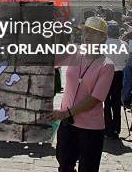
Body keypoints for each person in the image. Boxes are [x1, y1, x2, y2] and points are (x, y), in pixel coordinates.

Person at [47, 16, 115, 172]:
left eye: (93, 33)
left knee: (88, 168)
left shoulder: (107, 65)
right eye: (86, 31)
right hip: (67, 124)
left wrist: (66, 112)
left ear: (103, 37)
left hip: (90, 128)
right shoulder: (74, 53)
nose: (87, 36)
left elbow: (95, 99)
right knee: (64, 165)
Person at [103, 20, 129, 139]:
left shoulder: (103, 44)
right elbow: (127, 59)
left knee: (106, 102)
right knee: (116, 101)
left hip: (105, 75)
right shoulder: (124, 44)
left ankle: (107, 128)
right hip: (119, 74)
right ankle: (116, 129)